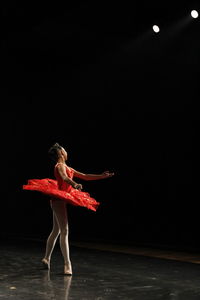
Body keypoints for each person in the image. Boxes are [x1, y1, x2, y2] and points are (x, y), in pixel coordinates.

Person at [23, 143, 114, 275]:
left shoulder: (67, 166)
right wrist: (74, 184)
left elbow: (85, 175)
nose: (66, 152)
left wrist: (101, 176)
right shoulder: (60, 166)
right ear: (60, 154)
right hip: (58, 199)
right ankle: (67, 264)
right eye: (64, 150)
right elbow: (65, 178)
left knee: (56, 230)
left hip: (61, 199)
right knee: (64, 230)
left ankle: (46, 258)